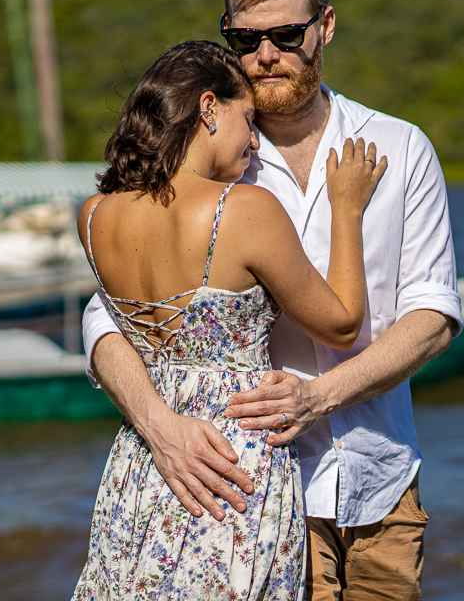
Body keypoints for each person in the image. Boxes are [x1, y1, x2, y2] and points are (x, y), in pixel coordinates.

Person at [80, 0, 462, 601]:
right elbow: (108, 319)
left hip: (383, 481)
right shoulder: (211, 160)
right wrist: (158, 426)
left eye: (287, 35)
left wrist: (323, 395)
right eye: (245, 39)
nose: (265, 56)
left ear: (326, 26)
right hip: (253, 486)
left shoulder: (399, 146)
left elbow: (432, 315)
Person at [72, 39, 386, 599]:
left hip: (145, 465)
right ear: (209, 108)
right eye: (248, 119)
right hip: (231, 469)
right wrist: (347, 209)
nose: (255, 140)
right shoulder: (242, 208)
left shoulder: (95, 216)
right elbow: (341, 323)